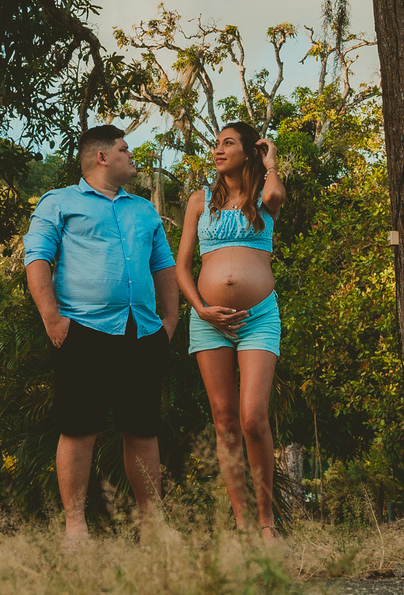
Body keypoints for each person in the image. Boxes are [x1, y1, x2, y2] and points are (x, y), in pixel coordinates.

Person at [23, 125, 179, 544]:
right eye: (125, 149)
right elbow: (36, 257)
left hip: (142, 332)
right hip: (84, 330)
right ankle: (75, 527)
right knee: (78, 427)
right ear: (101, 157)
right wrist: (52, 319)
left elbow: (163, 265)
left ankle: (153, 528)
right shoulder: (59, 202)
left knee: (143, 429)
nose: (133, 156)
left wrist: (170, 321)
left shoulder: (144, 210)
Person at [174, 121, 286, 543]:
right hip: (208, 323)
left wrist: (270, 161)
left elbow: (276, 193)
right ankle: (242, 524)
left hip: (258, 317)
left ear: (249, 151)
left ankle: (266, 521)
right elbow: (182, 267)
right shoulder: (199, 201)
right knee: (224, 422)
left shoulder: (264, 197)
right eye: (216, 144)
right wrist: (202, 309)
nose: (218, 150)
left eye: (228, 143)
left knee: (253, 418)